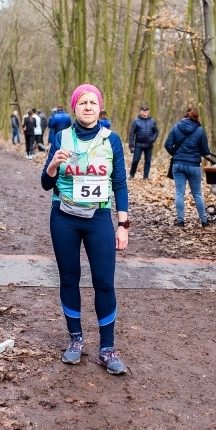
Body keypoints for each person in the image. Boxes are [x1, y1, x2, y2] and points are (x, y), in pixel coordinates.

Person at [41, 83, 129, 376]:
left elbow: (119, 184)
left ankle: (107, 348)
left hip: (98, 218)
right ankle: (75, 340)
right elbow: (45, 182)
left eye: (93, 102)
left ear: (99, 107)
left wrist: (122, 224)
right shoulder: (61, 137)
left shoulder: (111, 140)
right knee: (69, 278)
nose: (88, 107)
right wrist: (53, 163)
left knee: (104, 282)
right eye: (82, 102)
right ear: (74, 108)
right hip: (64, 217)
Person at [164, 107, 211, 228]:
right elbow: (205, 151)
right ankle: (204, 221)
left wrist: (176, 154)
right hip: (193, 165)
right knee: (197, 194)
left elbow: (167, 145)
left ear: (185, 115)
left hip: (178, 164)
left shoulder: (176, 127)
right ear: (197, 117)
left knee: (179, 193)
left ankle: (180, 221)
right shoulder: (200, 130)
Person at [128, 105, 159, 179]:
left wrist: (152, 139)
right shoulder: (136, 121)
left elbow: (156, 132)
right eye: (144, 110)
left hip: (149, 145)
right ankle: (132, 175)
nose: (145, 112)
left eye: (146, 110)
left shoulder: (152, 121)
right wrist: (131, 145)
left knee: (148, 161)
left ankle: (145, 177)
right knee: (135, 160)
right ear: (141, 111)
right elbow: (132, 133)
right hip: (139, 144)